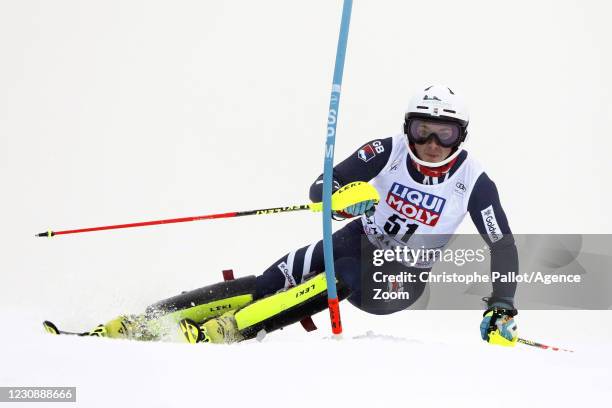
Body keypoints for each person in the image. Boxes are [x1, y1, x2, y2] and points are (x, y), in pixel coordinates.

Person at [78, 85, 519, 346]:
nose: (432, 145)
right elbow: (319, 188)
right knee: (269, 281)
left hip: (400, 275)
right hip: (358, 237)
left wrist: (502, 305)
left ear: (461, 137)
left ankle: (228, 332)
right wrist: (344, 199)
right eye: (423, 130)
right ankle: (149, 319)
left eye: (446, 134)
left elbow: (502, 245)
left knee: (342, 271)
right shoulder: (386, 150)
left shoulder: (474, 182)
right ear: (409, 127)